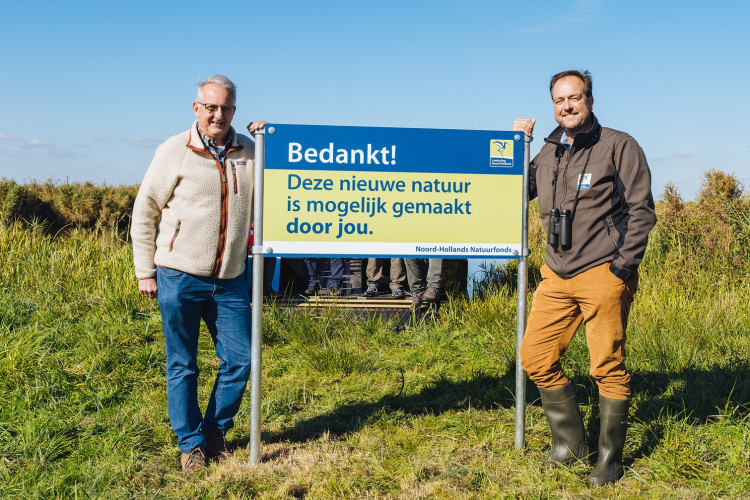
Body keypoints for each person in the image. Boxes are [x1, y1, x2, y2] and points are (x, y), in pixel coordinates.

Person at [513, 70, 656, 486]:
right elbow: (518, 190)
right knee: (535, 356)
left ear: (589, 99)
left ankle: (609, 461)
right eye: (560, 100)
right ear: (553, 106)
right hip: (555, 275)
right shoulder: (548, 150)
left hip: (602, 272)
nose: (567, 106)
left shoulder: (618, 145)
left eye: (575, 98)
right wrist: (518, 146)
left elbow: (641, 210)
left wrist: (621, 269)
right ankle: (570, 446)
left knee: (607, 367)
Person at [131, 74, 266, 473]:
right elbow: (145, 212)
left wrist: (270, 141)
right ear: (197, 108)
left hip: (231, 279)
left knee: (241, 360)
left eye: (225, 108)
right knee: (182, 364)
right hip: (178, 275)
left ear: (234, 111)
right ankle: (190, 445)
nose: (218, 114)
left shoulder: (250, 153)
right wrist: (145, 271)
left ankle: (214, 431)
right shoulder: (174, 150)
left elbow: (283, 186)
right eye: (210, 107)